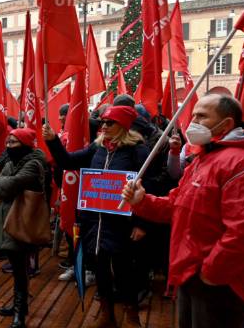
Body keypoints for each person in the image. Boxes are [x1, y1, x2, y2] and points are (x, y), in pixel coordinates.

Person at [122, 94, 244, 328]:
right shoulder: (204, 159)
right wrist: (143, 201)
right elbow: (176, 204)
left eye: (202, 116)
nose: (193, 122)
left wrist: (211, 272)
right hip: (192, 272)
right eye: (194, 115)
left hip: (217, 280)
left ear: (227, 124)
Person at [44, 105, 151, 328]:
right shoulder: (97, 148)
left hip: (122, 222)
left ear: (122, 125)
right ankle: (107, 313)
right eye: (102, 122)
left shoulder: (137, 151)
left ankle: (131, 315)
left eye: (109, 123)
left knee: (123, 271)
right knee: (100, 268)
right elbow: (67, 162)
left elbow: (148, 189)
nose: (103, 126)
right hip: (95, 222)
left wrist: (141, 223)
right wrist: (53, 140)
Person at [0, 128, 46, 328]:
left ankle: (19, 313)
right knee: (17, 267)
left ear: (25, 144)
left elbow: (7, 185)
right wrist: (2, 185)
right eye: (8, 142)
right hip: (8, 218)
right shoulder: (11, 162)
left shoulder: (33, 164)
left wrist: (2, 184)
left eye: (14, 142)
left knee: (20, 267)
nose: (9, 146)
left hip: (23, 221)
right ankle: (19, 306)